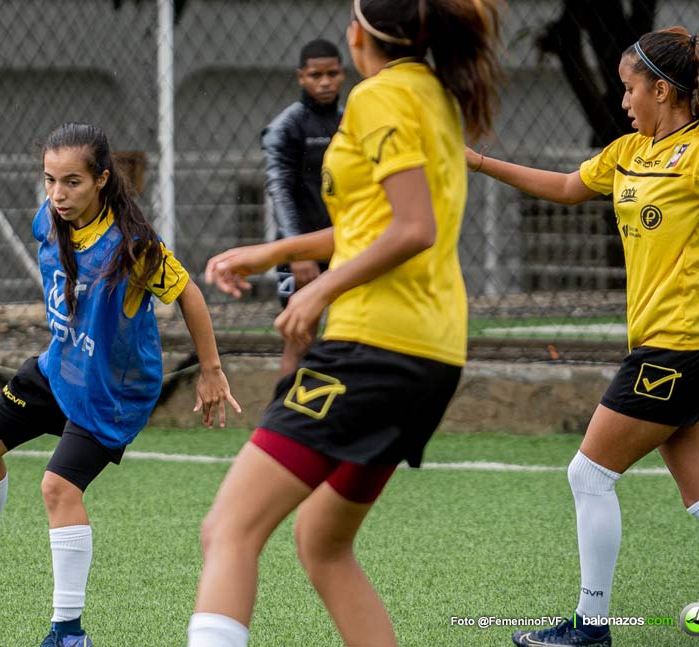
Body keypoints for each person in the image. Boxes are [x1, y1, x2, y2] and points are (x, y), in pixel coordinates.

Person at [188, 1, 502, 646]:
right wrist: (276, 250)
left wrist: (317, 289)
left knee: (229, 529)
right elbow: (375, 224)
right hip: (430, 355)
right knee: (322, 543)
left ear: (360, 36)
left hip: (373, 350)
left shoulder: (377, 99)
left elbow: (414, 228)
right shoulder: (433, 95)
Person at [0, 122, 240, 647]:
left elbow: (190, 295)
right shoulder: (49, 221)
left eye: (72, 183)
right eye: (49, 181)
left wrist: (211, 369)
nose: (58, 195)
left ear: (102, 180)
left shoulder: (130, 246)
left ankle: (67, 632)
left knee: (58, 487)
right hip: (60, 367)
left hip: (111, 393)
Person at [468, 26, 699, 647]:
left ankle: (591, 626)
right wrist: (473, 161)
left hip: (681, 345)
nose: (624, 101)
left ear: (663, 92)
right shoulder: (626, 152)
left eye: (630, 89)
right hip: (675, 347)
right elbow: (564, 188)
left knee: (588, 473)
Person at [261, 38, 346, 375]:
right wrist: (298, 252)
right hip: (301, 253)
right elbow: (279, 191)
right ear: (301, 77)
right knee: (300, 336)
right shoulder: (285, 127)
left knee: (349, 338)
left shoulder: (350, 120)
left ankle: (338, 419)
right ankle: (281, 422)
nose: (324, 82)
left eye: (332, 74)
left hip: (346, 248)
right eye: (315, 75)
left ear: (342, 74)